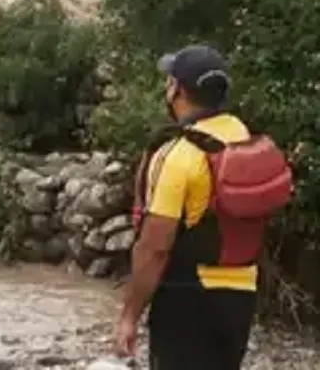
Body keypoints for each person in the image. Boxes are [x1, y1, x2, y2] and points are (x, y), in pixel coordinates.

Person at [113, 44, 293, 369]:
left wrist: (129, 316)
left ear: (177, 90)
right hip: (241, 295)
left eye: (169, 81)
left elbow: (154, 248)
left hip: (187, 299)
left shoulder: (178, 154)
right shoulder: (243, 136)